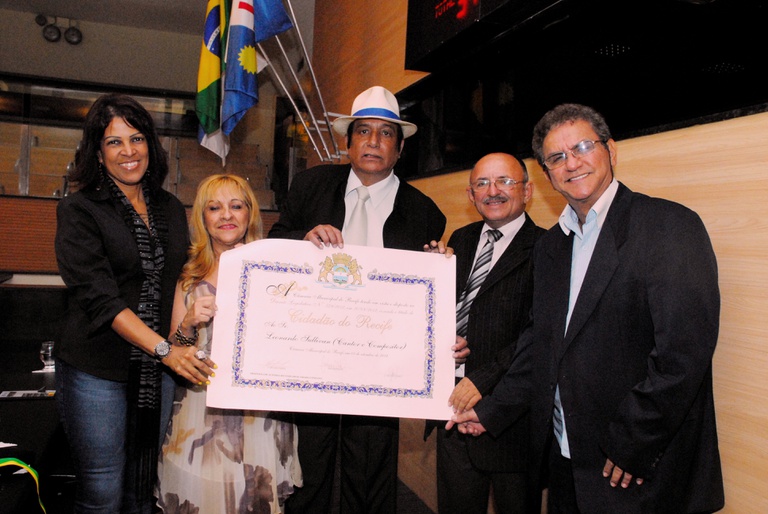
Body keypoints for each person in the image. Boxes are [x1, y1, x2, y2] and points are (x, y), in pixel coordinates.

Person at [448, 103, 724, 513]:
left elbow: (683, 356)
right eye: (557, 157)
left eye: (582, 147)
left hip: (637, 467)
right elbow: (541, 346)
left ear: (610, 151)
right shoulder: (552, 247)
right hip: (566, 461)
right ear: (547, 174)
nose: (572, 163)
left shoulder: (668, 225)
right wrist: (492, 410)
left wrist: (632, 443)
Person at [268, 85, 446, 513]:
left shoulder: (425, 213)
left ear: (400, 149)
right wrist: (302, 239)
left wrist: (438, 269)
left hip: (378, 369)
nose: (373, 141)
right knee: (307, 475)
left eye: (386, 134)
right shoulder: (310, 186)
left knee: (369, 481)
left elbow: (425, 296)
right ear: (347, 143)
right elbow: (275, 241)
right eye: (363, 131)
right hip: (311, 357)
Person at [54, 93, 205, 513]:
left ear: (150, 145)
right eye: (114, 142)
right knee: (103, 489)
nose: (128, 151)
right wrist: (165, 350)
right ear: (98, 153)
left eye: (136, 139)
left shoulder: (169, 207)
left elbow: (181, 277)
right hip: (97, 370)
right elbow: (101, 299)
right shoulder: (79, 210)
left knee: (145, 485)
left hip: (157, 371)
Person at [155, 174, 302, 513]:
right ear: (202, 218)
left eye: (236, 206)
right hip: (201, 414)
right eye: (214, 208)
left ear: (250, 214)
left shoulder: (276, 270)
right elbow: (174, 350)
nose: (226, 215)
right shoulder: (189, 276)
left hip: (258, 413)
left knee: (255, 500)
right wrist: (189, 322)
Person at [425, 153, 545, 514]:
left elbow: (540, 333)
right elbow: (451, 309)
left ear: (527, 191)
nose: (493, 191)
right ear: (470, 195)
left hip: (510, 417)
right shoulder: (459, 240)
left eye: (505, 181)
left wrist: (484, 380)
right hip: (451, 407)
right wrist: (428, 279)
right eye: (482, 183)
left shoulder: (548, 247)